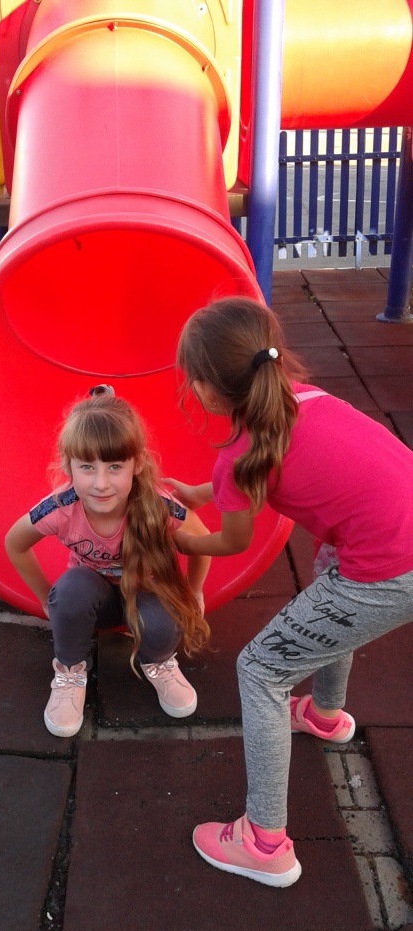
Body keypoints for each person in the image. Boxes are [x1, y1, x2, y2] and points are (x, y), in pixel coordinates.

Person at [166, 296, 413, 888]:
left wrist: (179, 536)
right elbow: (253, 473)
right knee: (327, 583)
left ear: (208, 390)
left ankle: (264, 843)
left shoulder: (238, 455)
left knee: (261, 669)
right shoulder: (305, 398)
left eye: (191, 379)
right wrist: (201, 493)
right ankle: (324, 715)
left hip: (391, 568)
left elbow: (232, 542)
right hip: (395, 536)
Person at [5, 385, 211, 738]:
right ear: (68, 465)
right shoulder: (61, 507)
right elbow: (15, 542)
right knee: (70, 591)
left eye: (115, 466)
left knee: (164, 619)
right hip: (93, 600)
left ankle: (159, 660)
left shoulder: (157, 506)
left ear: (137, 463)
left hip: (146, 592)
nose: (101, 483)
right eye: (87, 467)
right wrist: (44, 598)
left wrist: (195, 591)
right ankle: (70, 669)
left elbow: (202, 542)